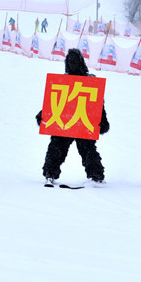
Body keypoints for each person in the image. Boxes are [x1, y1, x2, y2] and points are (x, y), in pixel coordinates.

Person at [36, 48, 109, 186]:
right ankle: (50, 173)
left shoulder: (90, 80)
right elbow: (54, 101)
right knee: (56, 147)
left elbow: (98, 104)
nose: (73, 65)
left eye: (75, 62)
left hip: (83, 121)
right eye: (70, 62)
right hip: (65, 121)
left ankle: (96, 176)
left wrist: (102, 119)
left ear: (80, 63)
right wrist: (43, 114)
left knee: (88, 150)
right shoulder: (63, 81)